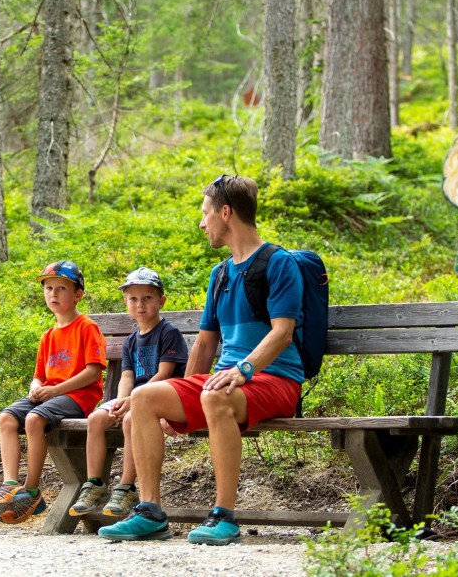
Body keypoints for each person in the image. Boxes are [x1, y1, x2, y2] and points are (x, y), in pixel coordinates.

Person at [98, 175, 304, 545]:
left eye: (205, 214)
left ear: (226, 213)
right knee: (145, 397)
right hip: (229, 381)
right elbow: (206, 346)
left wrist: (243, 370)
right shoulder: (220, 274)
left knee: (214, 395)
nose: (202, 222)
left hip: (276, 379)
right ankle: (150, 512)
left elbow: (282, 333)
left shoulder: (279, 263)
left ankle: (224, 516)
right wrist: (179, 397)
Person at [0, 260, 107, 524]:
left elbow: (93, 373)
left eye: (61, 288)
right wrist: (36, 388)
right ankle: (11, 485)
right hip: (52, 394)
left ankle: (32, 492)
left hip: (78, 396)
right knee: (7, 418)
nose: (53, 294)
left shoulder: (86, 328)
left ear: (78, 294)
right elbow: (39, 376)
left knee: (34, 419)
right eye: (48, 289)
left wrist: (55, 389)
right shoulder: (48, 335)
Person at [68, 267, 188, 519]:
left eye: (147, 298)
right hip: (133, 397)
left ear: (161, 301)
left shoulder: (169, 333)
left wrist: (133, 401)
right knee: (97, 418)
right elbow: (127, 376)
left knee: (133, 420)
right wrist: (122, 400)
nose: (140, 305)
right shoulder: (132, 340)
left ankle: (126, 486)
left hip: (161, 398)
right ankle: (95, 484)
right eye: (133, 299)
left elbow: (164, 374)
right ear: (126, 302)